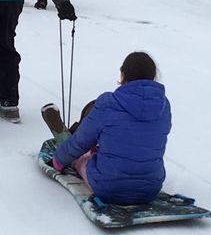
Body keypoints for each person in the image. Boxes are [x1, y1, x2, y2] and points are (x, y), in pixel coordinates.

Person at [41, 51, 171, 205]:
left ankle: (72, 150)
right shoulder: (163, 106)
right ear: (153, 76)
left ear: (123, 75)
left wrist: (58, 160)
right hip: (150, 188)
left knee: (82, 157)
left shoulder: (109, 103)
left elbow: (80, 142)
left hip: (108, 187)